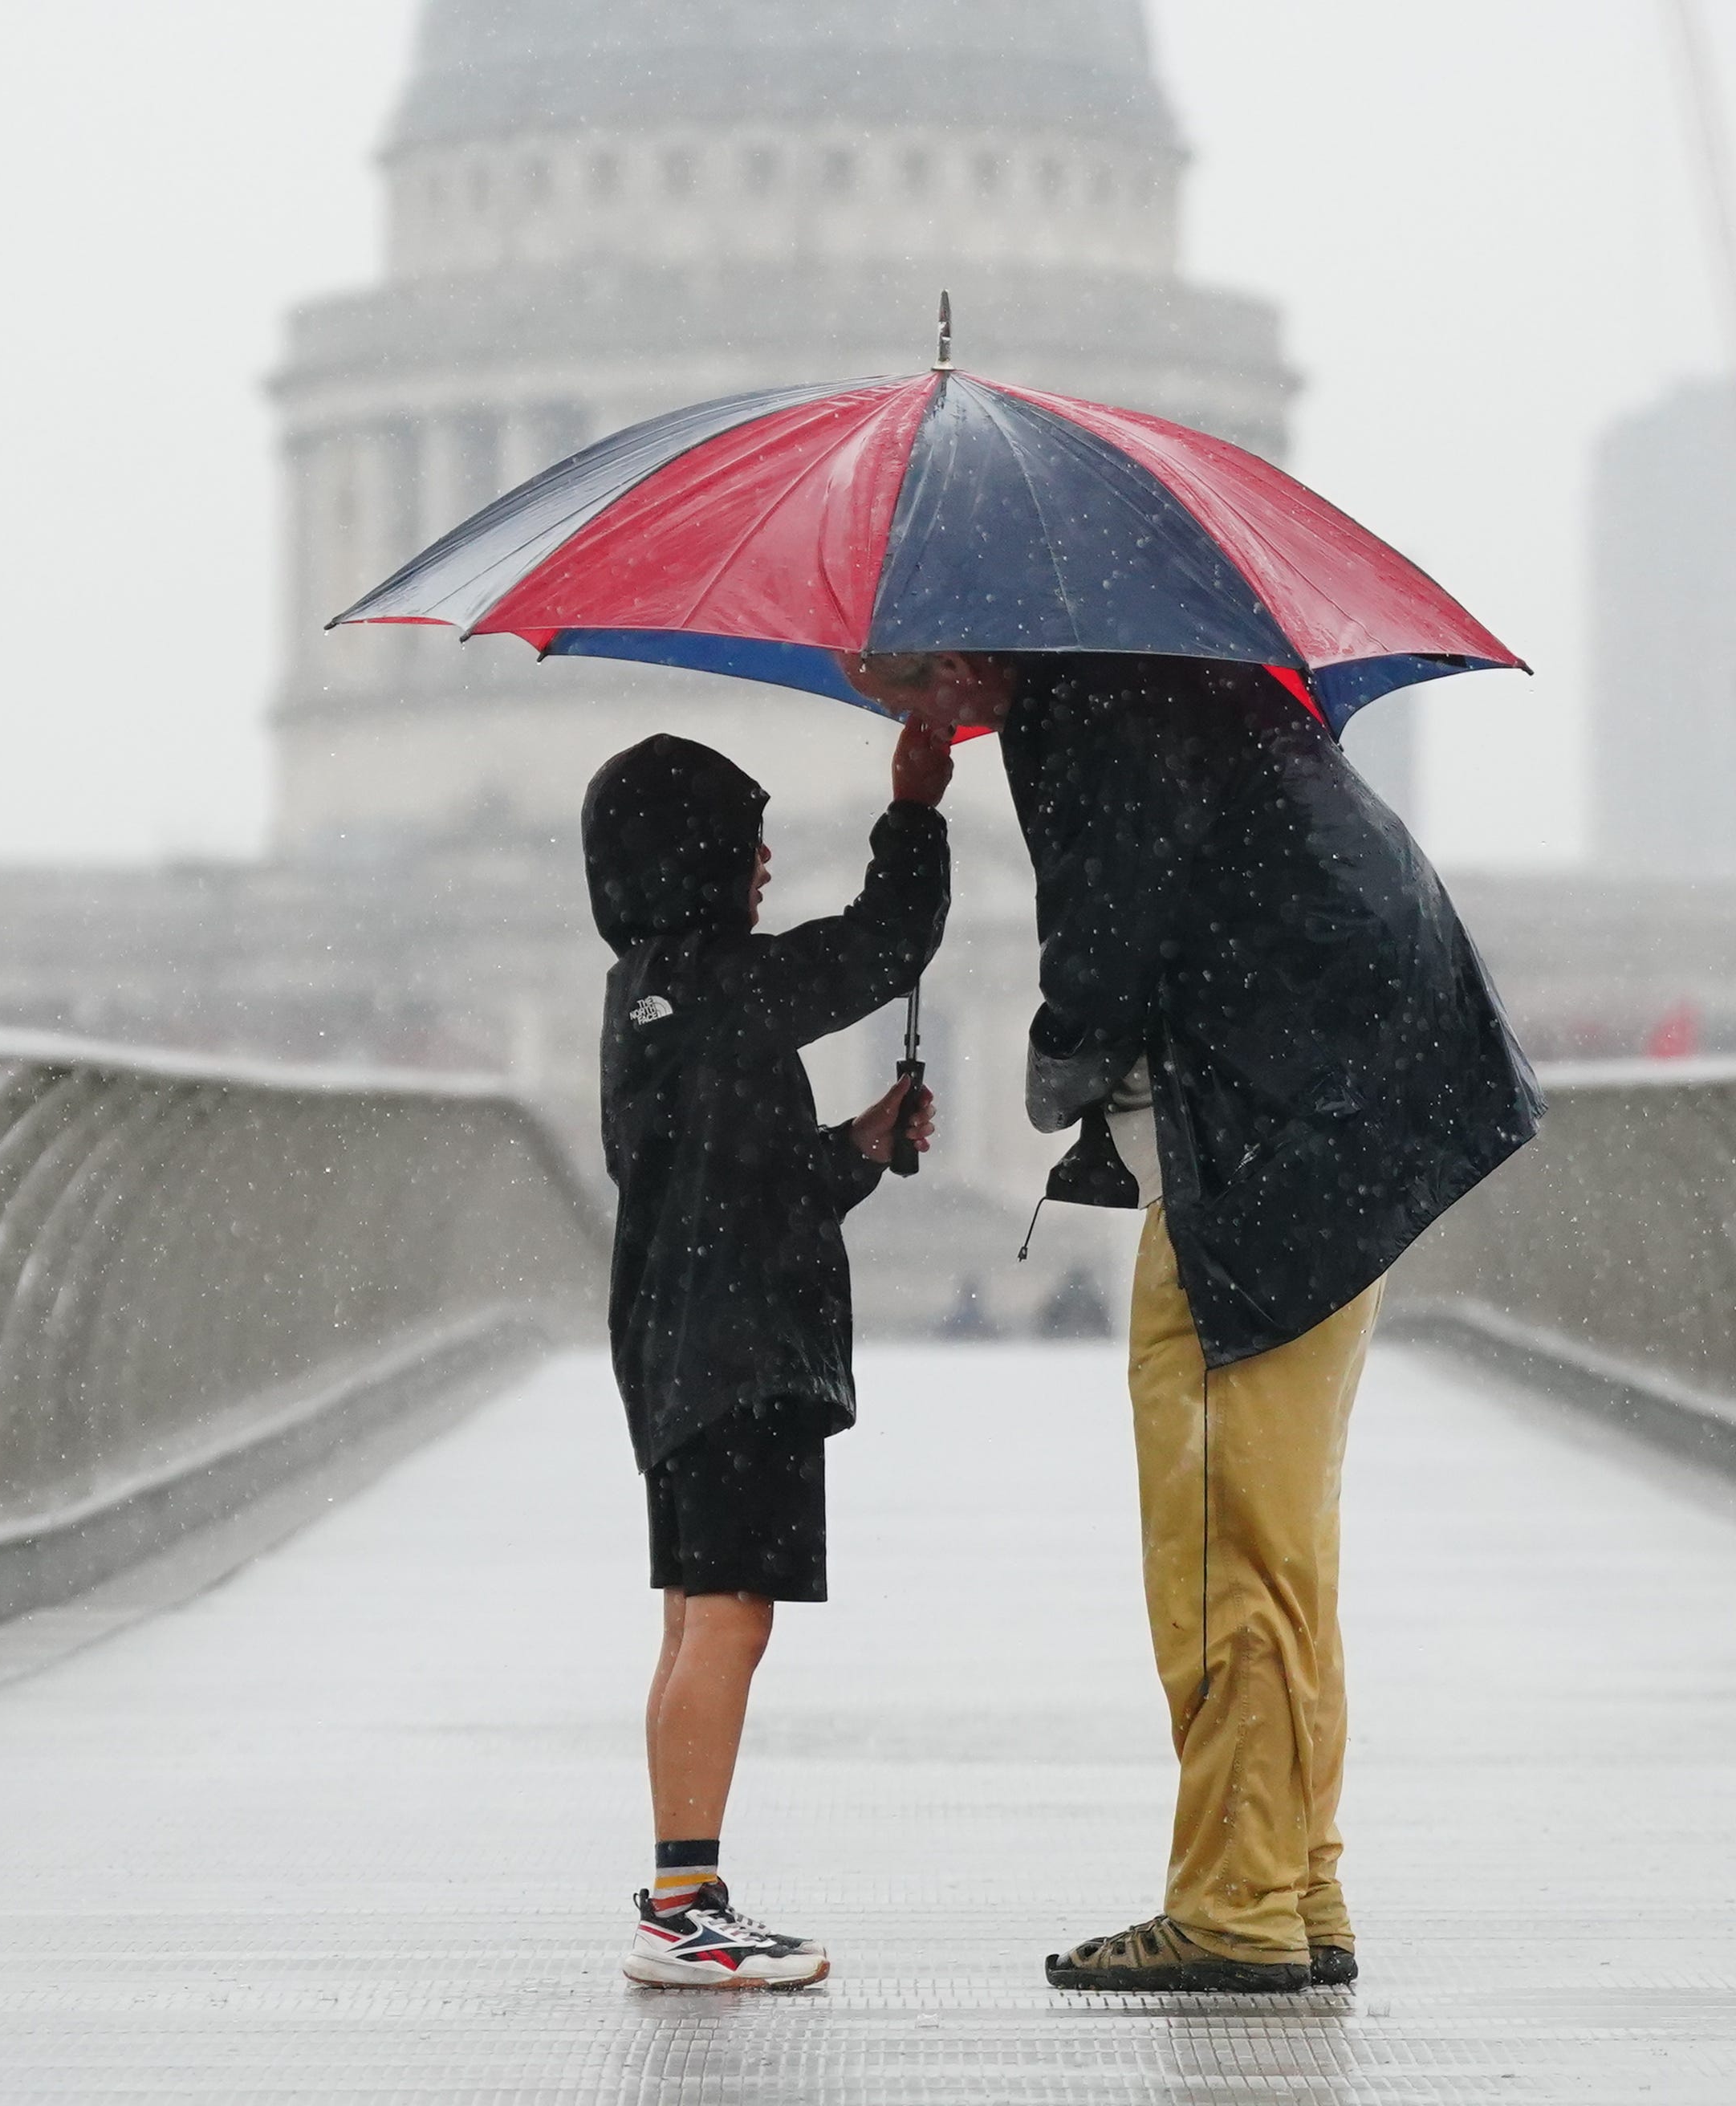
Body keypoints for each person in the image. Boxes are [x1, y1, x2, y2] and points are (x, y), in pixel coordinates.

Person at [842, 647, 1541, 1994]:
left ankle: (1234, 1906)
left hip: (1275, 1150)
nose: (879, 694)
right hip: (1347, 1123)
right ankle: (1293, 1881)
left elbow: (1107, 948)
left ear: (962, 635)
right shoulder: (1174, 688)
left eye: (885, 665)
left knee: (1217, 1531)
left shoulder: (1093, 716)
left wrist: (1052, 1073)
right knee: (1280, 1539)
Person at [582, 721, 954, 1989]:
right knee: (729, 1619)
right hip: (744, 1349)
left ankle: (681, 1891)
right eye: (748, 840)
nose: (764, 863)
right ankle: (682, 1909)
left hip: (677, 1340)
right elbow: (885, 945)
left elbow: (745, 1185)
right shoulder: (726, 987)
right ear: (697, 860)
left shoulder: (647, 995)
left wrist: (856, 1143)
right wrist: (915, 804)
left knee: (694, 1617)